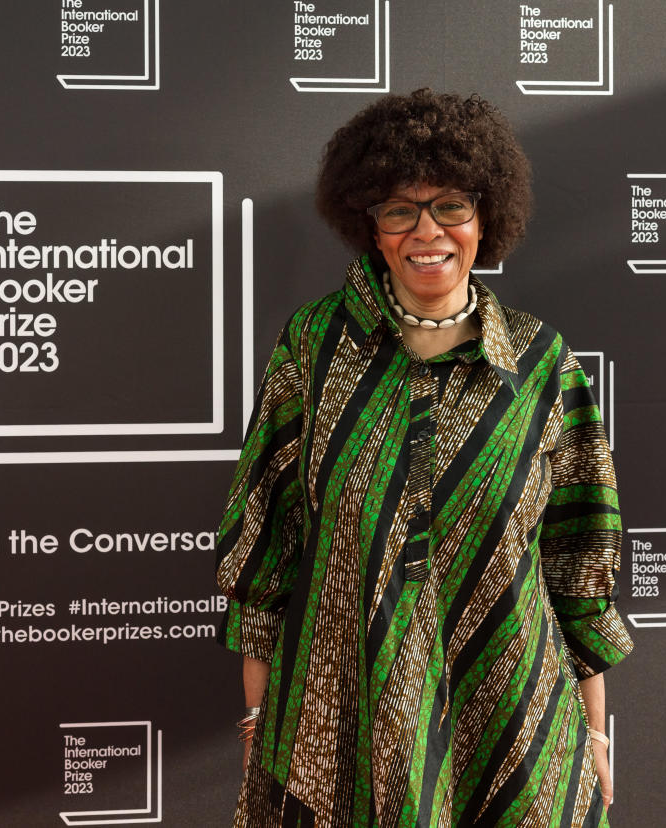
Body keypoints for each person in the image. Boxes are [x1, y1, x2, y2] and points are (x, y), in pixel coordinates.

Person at [215, 89, 633, 827]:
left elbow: (578, 562)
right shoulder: (312, 348)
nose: (427, 231)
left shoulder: (541, 364)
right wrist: (257, 725)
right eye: (399, 209)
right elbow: (264, 548)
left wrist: (596, 731)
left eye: (451, 206)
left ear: (486, 217)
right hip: (336, 728)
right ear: (368, 225)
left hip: (512, 720)